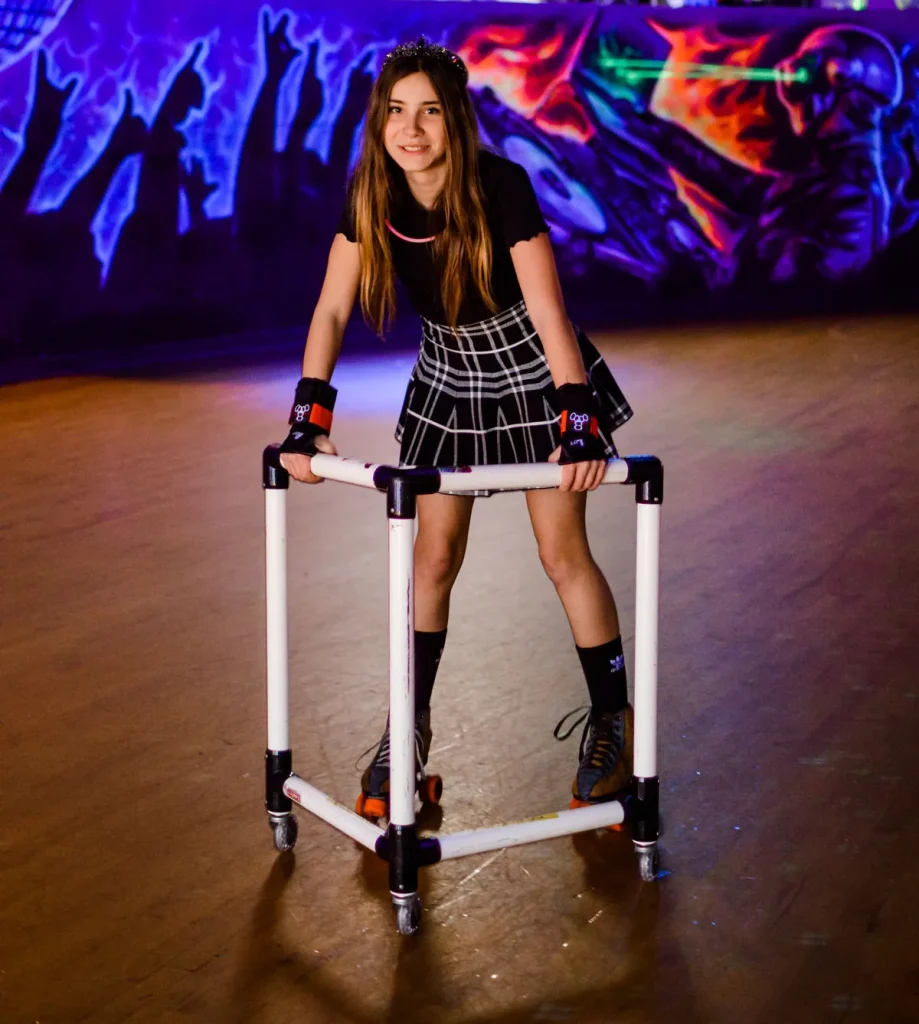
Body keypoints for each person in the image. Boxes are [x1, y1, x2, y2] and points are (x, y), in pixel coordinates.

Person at [277, 38, 635, 821]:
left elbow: (548, 307)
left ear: (455, 119)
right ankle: (406, 733)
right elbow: (333, 306)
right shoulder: (372, 192)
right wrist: (309, 419)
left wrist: (576, 420)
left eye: (429, 112)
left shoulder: (498, 184)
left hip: (529, 364)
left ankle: (612, 721)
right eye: (396, 113)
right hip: (446, 371)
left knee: (559, 551)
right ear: (379, 123)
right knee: (431, 559)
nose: (411, 129)